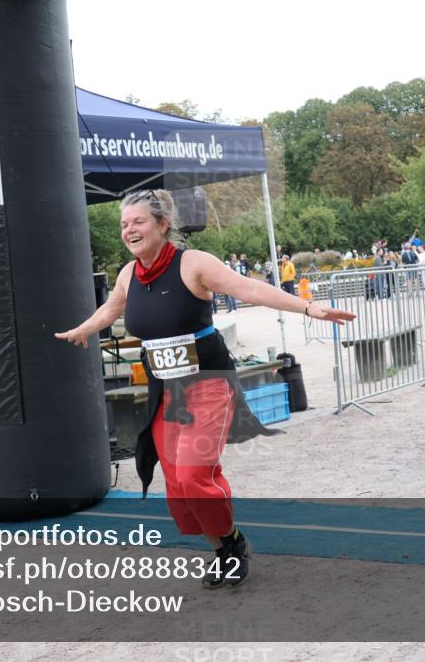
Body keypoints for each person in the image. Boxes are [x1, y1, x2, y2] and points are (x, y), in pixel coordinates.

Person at [54, 189, 355, 589]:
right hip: (165, 392)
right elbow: (113, 308)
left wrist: (308, 308)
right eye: (125, 224)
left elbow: (248, 288)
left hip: (208, 385)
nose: (130, 230)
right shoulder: (129, 274)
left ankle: (232, 543)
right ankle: (223, 549)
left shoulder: (193, 264)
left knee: (196, 475)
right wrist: (84, 330)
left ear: (163, 225)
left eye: (139, 221)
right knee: (178, 483)